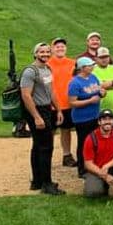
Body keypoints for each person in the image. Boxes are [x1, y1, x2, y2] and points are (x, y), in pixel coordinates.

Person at [21, 42, 65, 195]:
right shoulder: (30, 71)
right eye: (42, 52)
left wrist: (58, 109)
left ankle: (37, 181)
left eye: (47, 52)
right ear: (35, 53)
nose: (45, 54)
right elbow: (26, 95)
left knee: (38, 145)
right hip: (36, 110)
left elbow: (51, 91)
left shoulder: (47, 69)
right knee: (46, 147)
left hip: (47, 109)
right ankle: (47, 183)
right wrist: (36, 117)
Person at [82, 109, 113, 203]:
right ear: (99, 122)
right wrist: (105, 175)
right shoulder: (90, 138)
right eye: (104, 119)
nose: (107, 122)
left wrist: (107, 165)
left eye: (110, 119)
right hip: (96, 170)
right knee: (92, 193)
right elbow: (88, 164)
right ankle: (101, 185)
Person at [68, 56, 106, 179]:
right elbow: (72, 102)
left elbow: (99, 90)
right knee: (84, 143)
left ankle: (93, 165)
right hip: (82, 119)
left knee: (95, 142)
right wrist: (89, 101)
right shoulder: (75, 82)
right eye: (90, 65)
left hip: (95, 116)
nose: (92, 67)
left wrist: (102, 93)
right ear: (82, 68)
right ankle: (82, 169)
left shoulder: (93, 77)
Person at [47, 38, 77, 168]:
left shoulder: (72, 63)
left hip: (67, 103)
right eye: (57, 46)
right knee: (50, 132)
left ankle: (67, 155)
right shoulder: (47, 64)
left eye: (62, 46)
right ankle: (46, 156)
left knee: (66, 130)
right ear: (52, 49)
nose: (60, 49)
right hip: (51, 104)